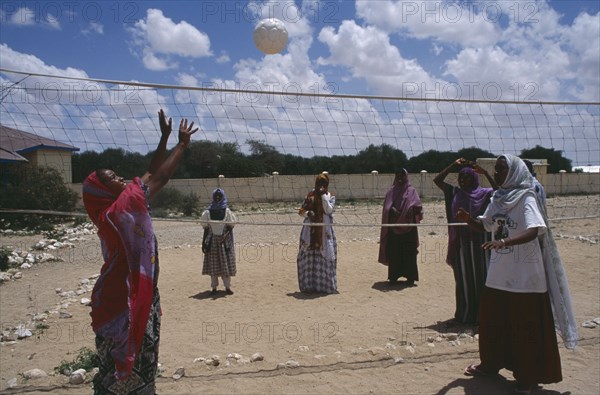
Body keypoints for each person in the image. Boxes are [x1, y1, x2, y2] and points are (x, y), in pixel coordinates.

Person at [82, 109, 197, 394]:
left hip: (114, 294)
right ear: (103, 192)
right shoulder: (121, 211)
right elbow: (159, 178)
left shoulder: (108, 212)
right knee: (135, 360)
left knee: (111, 363)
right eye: (113, 179)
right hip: (127, 297)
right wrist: (181, 145)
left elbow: (147, 174)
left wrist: (164, 138)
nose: (122, 179)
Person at [457, 154, 578, 395]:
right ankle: (490, 365)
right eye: (497, 169)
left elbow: (534, 230)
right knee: (493, 322)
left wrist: (504, 242)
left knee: (525, 328)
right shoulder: (498, 197)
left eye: (502, 169)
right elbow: (487, 224)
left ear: (514, 172)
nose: (498, 173)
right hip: (499, 274)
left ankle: (526, 378)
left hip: (525, 278)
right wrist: (469, 220)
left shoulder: (526, 197)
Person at [434, 158, 496, 325]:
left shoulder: (485, 193)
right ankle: (465, 313)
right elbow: (437, 180)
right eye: (460, 178)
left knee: (482, 277)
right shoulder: (455, 193)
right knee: (463, 280)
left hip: (481, 243)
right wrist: (454, 165)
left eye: (466, 178)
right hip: (461, 244)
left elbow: (499, 192)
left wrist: (487, 173)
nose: (462, 181)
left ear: (474, 179)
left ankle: (483, 315)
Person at [378, 169, 423, 287]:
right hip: (394, 227)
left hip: (409, 227)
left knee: (409, 252)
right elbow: (386, 208)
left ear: (406, 176)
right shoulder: (391, 191)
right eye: (397, 175)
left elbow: (418, 206)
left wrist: (410, 210)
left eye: (402, 175)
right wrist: (392, 210)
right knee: (394, 252)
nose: (400, 177)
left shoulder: (411, 191)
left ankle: (410, 277)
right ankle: (393, 276)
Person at [297, 173, 337, 293]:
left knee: (325, 255)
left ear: (327, 184)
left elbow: (328, 210)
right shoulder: (310, 195)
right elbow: (301, 211)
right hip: (310, 230)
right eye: (319, 183)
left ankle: (325, 286)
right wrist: (308, 213)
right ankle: (308, 286)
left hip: (324, 232)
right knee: (308, 257)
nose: (321, 186)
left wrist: (323, 196)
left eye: (324, 183)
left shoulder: (330, 196)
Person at [200, 188, 237, 295]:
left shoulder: (227, 211)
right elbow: (206, 228)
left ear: (223, 197)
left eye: (219, 196)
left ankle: (227, 287)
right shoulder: (207, 212)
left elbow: (231, 226)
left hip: (224, 242)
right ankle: (214, 288)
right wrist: (203, 243)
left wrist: (225, 236)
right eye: (216, 196)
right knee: (213, 265)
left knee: (225, 265)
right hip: (212, 243)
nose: (217, 198)